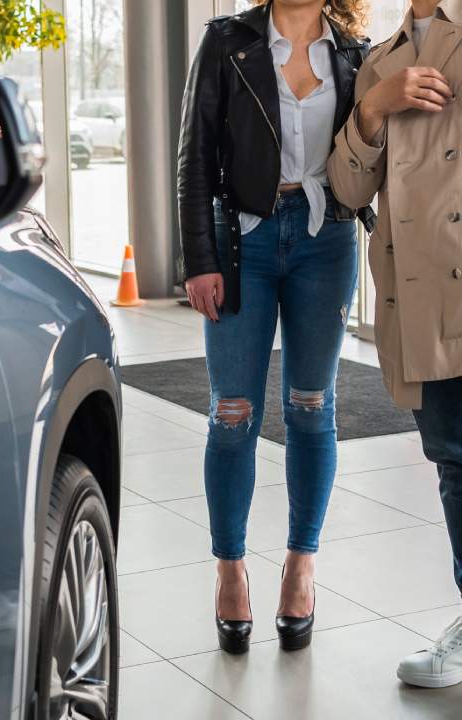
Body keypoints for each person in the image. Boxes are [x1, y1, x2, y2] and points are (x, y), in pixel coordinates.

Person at [178, 0, 373, 654]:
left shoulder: (352, 52)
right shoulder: (227, 42)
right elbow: (196, 158)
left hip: (327, 240)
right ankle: (230, 567)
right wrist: (199, 259)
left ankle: (301, 564)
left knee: (312, 408)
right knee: (233, 411)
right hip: (243, 245)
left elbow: (370, 150)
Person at [328, 0, 462, 690]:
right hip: (419, 302)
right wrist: (374, 109)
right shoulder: (379, 62)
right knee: (456, 466)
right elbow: (350, 188)